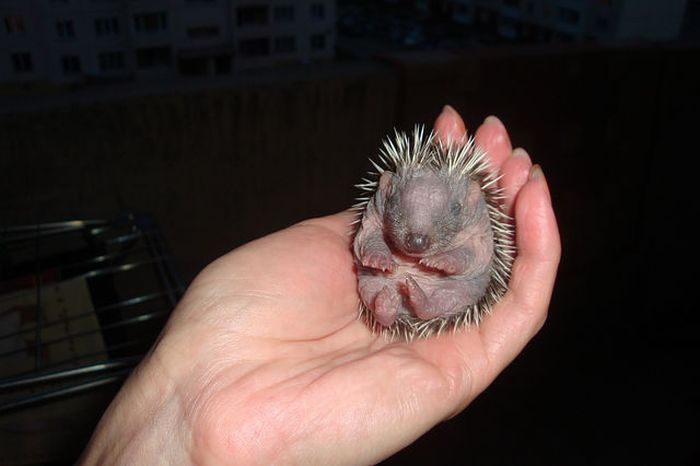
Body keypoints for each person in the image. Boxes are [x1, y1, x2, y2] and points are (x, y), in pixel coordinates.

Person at [79, 106, 560, 465]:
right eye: (402, 216)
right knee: (377, 280)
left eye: (433, 223)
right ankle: (393, 302)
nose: (413, 237)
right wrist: (375, 248)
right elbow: (371, 230)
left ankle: (428, 302)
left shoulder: (476, 212)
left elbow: (478, 258)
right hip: (392, 282)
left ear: (470, 200)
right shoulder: (384, 199)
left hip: (455, 286)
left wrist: (448, 258)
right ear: (387, 189)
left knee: (461, 282)